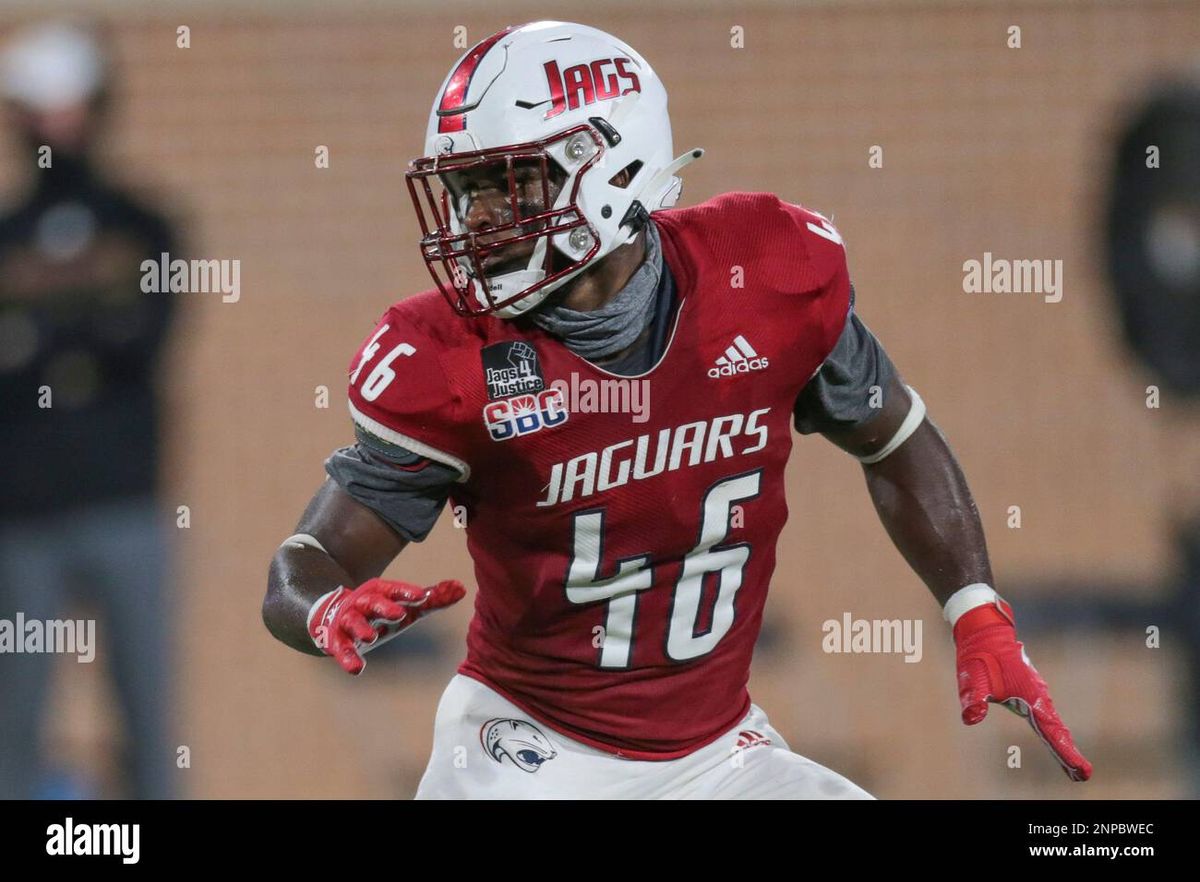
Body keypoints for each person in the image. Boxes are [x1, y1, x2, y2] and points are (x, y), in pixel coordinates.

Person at [263, 20, 1091, 798]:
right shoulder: (448, 359)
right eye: (467, 191)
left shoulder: (764, 276)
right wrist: (327, 605)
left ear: (612, 167)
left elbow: (893, 436)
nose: (477, 220)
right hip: (523, 751)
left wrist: (978, 612)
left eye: (508, 186)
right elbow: (306, 561)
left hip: (718, 758)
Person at [0, 20, 180, 799]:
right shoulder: (7, 238)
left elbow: (143, 340)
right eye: (38, 114)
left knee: (148, 715)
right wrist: (85, 326)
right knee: (15, 719)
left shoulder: (146, 227)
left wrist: (35, 335)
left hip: (128, 501)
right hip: (20, 512)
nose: (53, 132)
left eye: (67, 111)